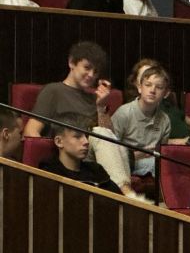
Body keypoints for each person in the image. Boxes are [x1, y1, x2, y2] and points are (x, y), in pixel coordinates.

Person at [24, 41, 134, 195]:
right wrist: (55, 155)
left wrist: (101, 106)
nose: (91, 75)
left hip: (91, 156)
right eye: (87, 68)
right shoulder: (53, 91)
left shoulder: (95, 97)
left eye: (95, 72)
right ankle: (126, 194)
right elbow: (31, 131)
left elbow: (109, 138)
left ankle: (124, 192)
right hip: (66, 153)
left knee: (104, 135)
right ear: (71, 63)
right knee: (99, 134)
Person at [125, 59, 190, 145]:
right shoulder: (136, 108)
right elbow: (146, 141)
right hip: (181, 147)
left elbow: (182, 116)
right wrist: (181, 142)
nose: (152, 80)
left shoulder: (163, 101)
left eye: (154, 75)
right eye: (145, 76)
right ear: (136, 83)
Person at [39, 113, 122, 195]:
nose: (86, 142)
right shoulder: (48, 174)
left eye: (86, 136)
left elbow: (120, 199)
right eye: (77, 137)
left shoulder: (97, 171)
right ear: (59, 142)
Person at [112, 65, 171, 177]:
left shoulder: (165, 120)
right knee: (159, 165)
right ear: (139, 88)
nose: (152, 90)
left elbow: (162, 152)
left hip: (152, 162)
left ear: (165, 93)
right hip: (124, 163)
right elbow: (110, 149)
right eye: (148, 85)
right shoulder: (124, 113)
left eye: (159, 87)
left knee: (165, 163)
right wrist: (137, 155)